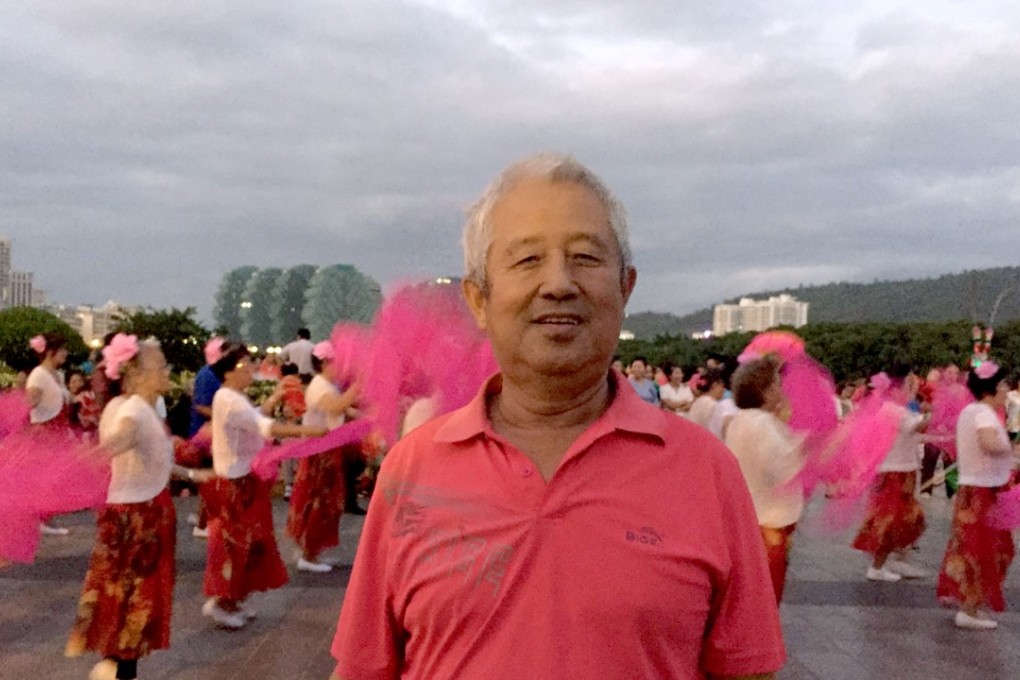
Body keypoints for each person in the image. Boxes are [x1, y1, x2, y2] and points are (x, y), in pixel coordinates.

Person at [329, 153, 785, 679]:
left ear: (625, 287)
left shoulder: (706, 471)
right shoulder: (413, 468)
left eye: (586, 257)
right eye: (527, 259)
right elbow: (363, 668)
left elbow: (747, 671)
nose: (559, 283)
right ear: (478, 299)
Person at [66, 335, 215, 680]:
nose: (166, 371)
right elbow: (122, 437)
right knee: (136, 599)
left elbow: (155, 459)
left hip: (140, 512)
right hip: (136, 519)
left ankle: (115, 665)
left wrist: (194, 475)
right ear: (135, 374)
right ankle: (121, 669)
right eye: (159, 366)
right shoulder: (132, 411)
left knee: (125, 596)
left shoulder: (141, 407)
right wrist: (87, 459)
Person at [202, 342, 325, 629]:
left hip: (244, 480)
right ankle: (222, 602)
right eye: (244, 365)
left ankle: (236, 598)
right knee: (235, 547)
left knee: (252, 545)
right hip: (234, 484)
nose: (251, 369)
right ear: (228, 372)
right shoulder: (228, 398)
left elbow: (254, 417)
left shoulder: (233, 397)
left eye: (250, 363)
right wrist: (309, 430)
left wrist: (274, 398)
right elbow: (263, 426)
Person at [936, 362, 1020, 630]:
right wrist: (1011, 450)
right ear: (991, 388)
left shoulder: (971, 411)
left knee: (975, 546)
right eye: (1003, 384)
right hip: (983, 493)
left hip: (976, 489)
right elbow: (987, 443)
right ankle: (969, 609)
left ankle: (970, 604)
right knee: (985, 549)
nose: (1006, 389)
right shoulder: (983, 413)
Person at [725, 357, 805, 605]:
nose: (782, 390)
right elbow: (783, 469)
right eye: (777, 385)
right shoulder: (761, 424)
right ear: (767, 391)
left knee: (749, 595)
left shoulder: (743, 419)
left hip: (751, 518)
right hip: (767, 523)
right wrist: (810, 445)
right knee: (764, 597)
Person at [286, 342, 361, 572]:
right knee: (318, 502)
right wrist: (358, 385)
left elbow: (344, 410)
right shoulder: (321, 386)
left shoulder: (326, 385)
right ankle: (308, 555)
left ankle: (311, 552)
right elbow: (337, 407)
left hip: (325, 451)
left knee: (324, 503)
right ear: (326, 363)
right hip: (320, 453)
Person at [851, 371, 929, 582]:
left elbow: (916, 432)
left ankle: (889, 561)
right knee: (895, 521)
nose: (913, 391)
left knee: (903, 520)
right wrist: (939, 413)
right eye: (910, 386)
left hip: (898, 471)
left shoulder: (893, 409)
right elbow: (917, 426)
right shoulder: (893, 410)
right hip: (895, 473)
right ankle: (879, 565)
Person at [26, 333, 72, 536]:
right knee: (45, 476)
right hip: (45, 431)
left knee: (55, 477)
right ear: (51, 352)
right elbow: (30, 402)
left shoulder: (58, 375)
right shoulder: (38, 375)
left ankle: (43, 517)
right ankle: (40, 518)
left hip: (59, 430)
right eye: (62, 349)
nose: (65, 353)